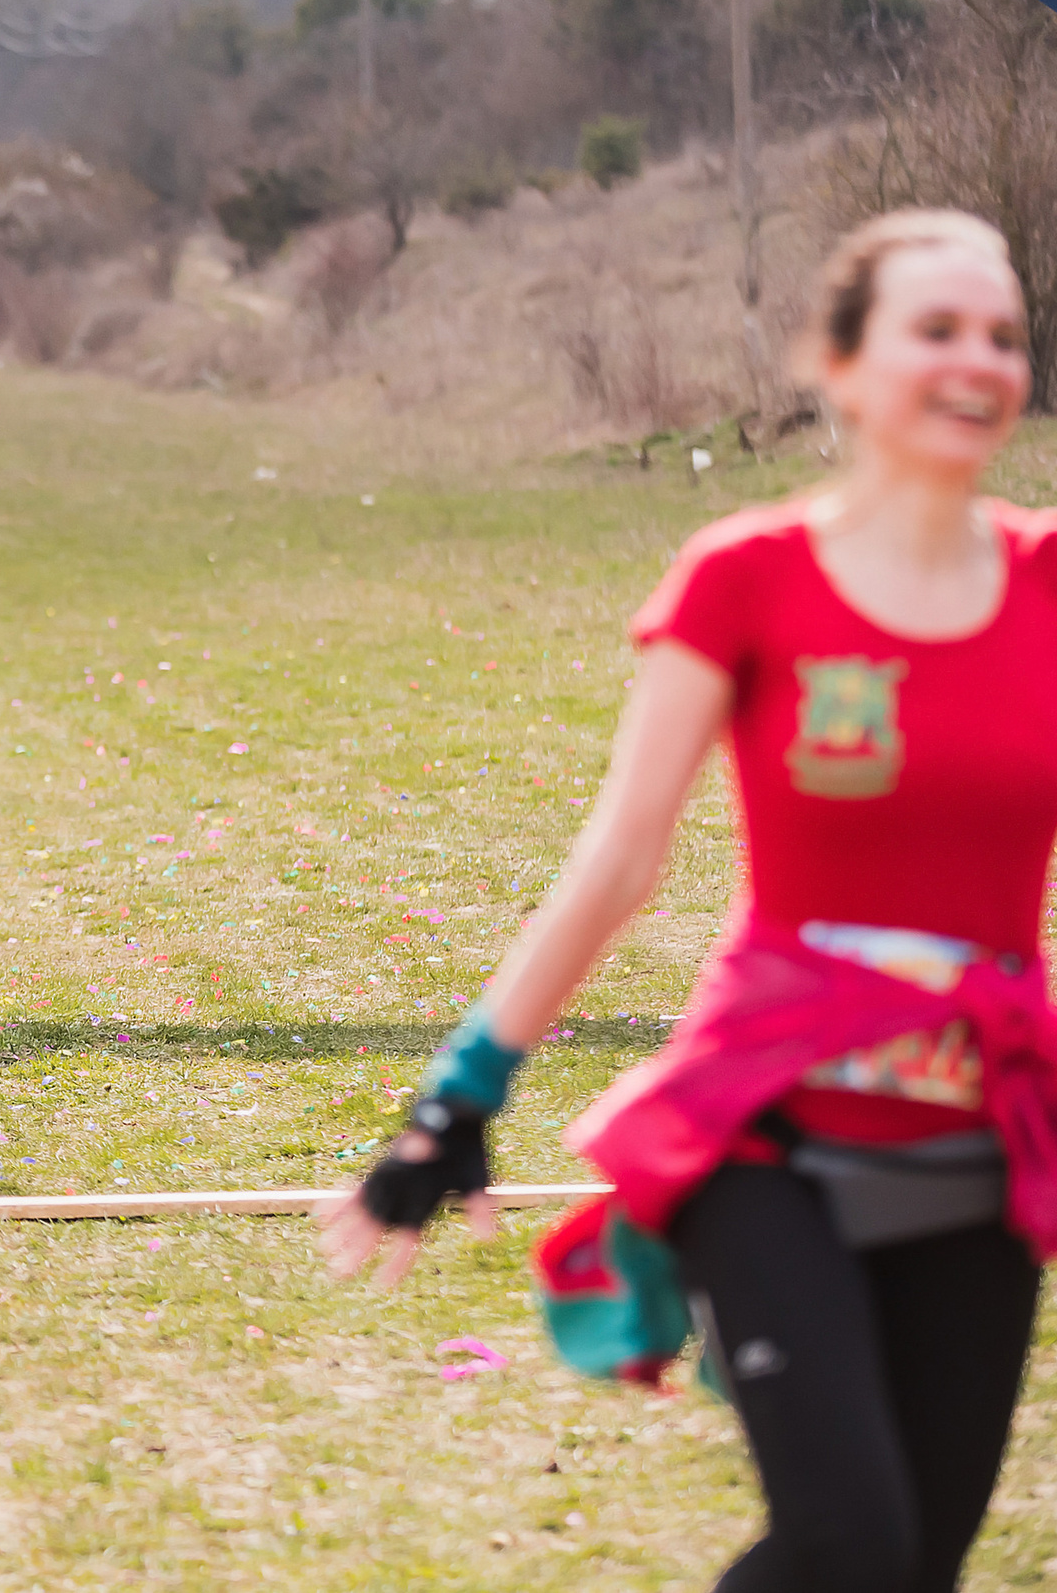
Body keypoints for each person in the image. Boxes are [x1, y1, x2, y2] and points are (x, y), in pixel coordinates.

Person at [322, 209, 1057, 1593]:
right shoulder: (748, 578)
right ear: (838, 364)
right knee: (851, 1544)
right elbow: (622, 856)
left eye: (1004, 334)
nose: (979, 361)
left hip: (976, 1138)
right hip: (768, 1133)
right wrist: (459, 1097)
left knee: (920, 1568)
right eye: (938, 329)